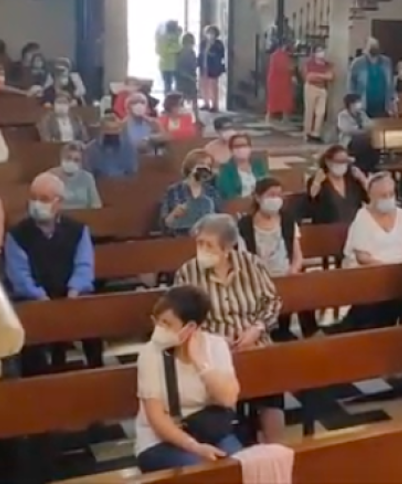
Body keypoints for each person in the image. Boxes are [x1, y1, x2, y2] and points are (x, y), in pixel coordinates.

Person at [173, 215, 285, 443]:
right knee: (219, 391)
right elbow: (181, 318)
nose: (202, 250)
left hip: (254, 343)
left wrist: (257, 328)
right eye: (199, 243)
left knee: (271, 386)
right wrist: (214, 340)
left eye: (209, 245)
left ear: (227, 248)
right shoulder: (188, 272)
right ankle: (229, 447)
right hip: (211, 351)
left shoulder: (251, 264)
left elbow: (272, 301)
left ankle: (277, 452)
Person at [134, 286, 242, 473]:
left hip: (207, 429)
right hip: (160, 440)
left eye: (167, 324)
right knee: (199, 470)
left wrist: (201, 364)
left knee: (240, 467)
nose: (159, 329)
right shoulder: (150, 354)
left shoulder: (216, 346)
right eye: (157, 322)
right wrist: (195, 447)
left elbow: (228, 398)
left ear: (190, 327)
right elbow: (156, 418)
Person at [4, 173, 103, 372]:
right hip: (35, 299)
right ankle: (38, 378)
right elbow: (20, 276)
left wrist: (74, 291)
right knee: (30, 324)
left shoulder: (78, 230)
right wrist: (41, 298)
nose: (37, 204)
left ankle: (96, 370)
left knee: (91, 315)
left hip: (71, 295)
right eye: (33, 198)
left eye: (44, 199)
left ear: (59, 202)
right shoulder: (17, 235)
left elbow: (84, 266)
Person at [238, 178, 318, 339]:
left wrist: (293, 270)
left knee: (303, 289)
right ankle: (272, 331)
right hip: (258, 278)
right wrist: (261, 277)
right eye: (271, 195)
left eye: (279, 195)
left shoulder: (287, 220)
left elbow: (297, 255)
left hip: (286, 273)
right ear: (258, 197)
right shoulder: (245, 224)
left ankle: (309, 333)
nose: (276, 199)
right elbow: (243, 259)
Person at [340, 173, 402, 329]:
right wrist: (389, 272)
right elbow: (362, 257)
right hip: (371, 275)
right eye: (383, 195)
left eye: (391, 194)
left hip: (400, 275)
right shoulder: (363, 218)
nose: (388, 198)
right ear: (371, 196)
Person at [305, 145, 369, 225]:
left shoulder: (353, 180)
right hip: (328, 229)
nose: (342, 165)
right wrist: (317, 183)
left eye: (344, 161)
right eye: (338, 161)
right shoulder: (320, 181)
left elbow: (370, 198)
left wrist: (363, 180)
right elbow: (311, 201)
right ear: (328, 162)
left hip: (354, 227)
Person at [163, 150, 220, 234]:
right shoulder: (174, 191)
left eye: (208, 165)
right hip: (181, 236)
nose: (205, 168)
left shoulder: (212, 191)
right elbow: (165, 224)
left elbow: (219, 219)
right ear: (191, 167)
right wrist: (174, 214)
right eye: (201, 164)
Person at [348, 38, 396, 117]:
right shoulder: (357, 64)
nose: (373, 48)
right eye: (371, 45)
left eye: (375, 45)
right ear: (365, 49)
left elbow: (391, 84)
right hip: (363, 108)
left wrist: (393, 100)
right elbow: (351, 85)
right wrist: (352, 104)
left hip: (384, 108)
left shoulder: (387, 62)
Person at [47, 142, 102, 210]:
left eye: (76, 160)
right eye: (68, 158)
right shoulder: (50, 175)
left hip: (83, 214)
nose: (71, 162)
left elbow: (96, 204)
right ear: (62, 158)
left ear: (81, 163)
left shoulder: (87, 177)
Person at [215, 134, 269, 201]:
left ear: (250, 147)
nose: (241, 149)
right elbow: (229, 194)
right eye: (237, 146)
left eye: (244, 145)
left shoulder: (258, 165)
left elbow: (267, 184)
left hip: (260, 202)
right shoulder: (225, 169)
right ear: (231, 150)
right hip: (237, 204)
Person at [85, 114, 139, 179]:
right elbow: (87, 174)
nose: (112, 132)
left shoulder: (129, 148)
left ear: (120, 130)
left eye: (115, 129)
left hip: (124, 183)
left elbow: (132, 172)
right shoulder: (91, 149)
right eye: (108, 129)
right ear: (101, 130)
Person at [302, 47, 333, 143]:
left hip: (322, 89)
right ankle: (307, 133)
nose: (322, 53)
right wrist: (322, 76)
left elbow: (330, 76)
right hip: (311, 88)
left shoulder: (327, 65)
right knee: (309, 111)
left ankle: (316, 133)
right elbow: (309, 77)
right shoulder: (309, 63)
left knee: (321, 112)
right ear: (315, 53)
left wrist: (316, 75)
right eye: (319, 51)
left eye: (323, 51)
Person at [264, 43, 295, 122]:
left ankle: (270, 117)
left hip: (277, 81)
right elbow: (287, 67)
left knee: (274, 100)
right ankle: (282, 118)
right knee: (282, 100)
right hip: (280, 81)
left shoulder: (275, 55)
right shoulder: (282, 56)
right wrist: (292, 68)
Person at [200, 26, 226, 112]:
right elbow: (201, 53)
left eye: (212, 33)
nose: (210, 35)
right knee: (204, 86)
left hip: (213, 67)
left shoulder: (218, 43)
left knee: (213, 87)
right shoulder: (203, 43)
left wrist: (212, 53)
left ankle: (215, 105)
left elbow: (221, 54)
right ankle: (206, 103)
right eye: (209, 32)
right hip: (204, 66)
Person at [156, 21, 183, 95]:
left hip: (165, 64)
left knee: (168, 85)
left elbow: (158, 50)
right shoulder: (170, 37)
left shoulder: (162, 37)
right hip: (171, 64)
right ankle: (173, 99)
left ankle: (169, 99)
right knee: (171, 84)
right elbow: (178, 48)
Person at [175, 33, 200, 103]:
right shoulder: (180, 54)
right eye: (189, 43)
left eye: (191, 43)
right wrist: (190, 77)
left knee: (194, 97)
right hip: (182, 79)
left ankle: (194, 110)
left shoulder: (192, 52)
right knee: (181, 98)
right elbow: (179, 69)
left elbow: (194, 64)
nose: (191, 45)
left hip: (191, 78)